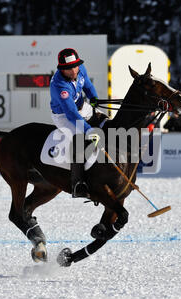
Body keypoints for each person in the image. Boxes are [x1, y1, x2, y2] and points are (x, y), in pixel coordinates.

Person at [50, 48, 99, 198]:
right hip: (64, 116)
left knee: (104, 120)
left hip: (82, 106)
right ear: (61, 69)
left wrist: (94, 98)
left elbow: (88, 86)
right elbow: (71, 113)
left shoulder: (80, 68)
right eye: (68, 69)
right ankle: (78, 183)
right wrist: (88, 129)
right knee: (79, 139)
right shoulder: (59, 86)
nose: (73, 71)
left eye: (75, 66)